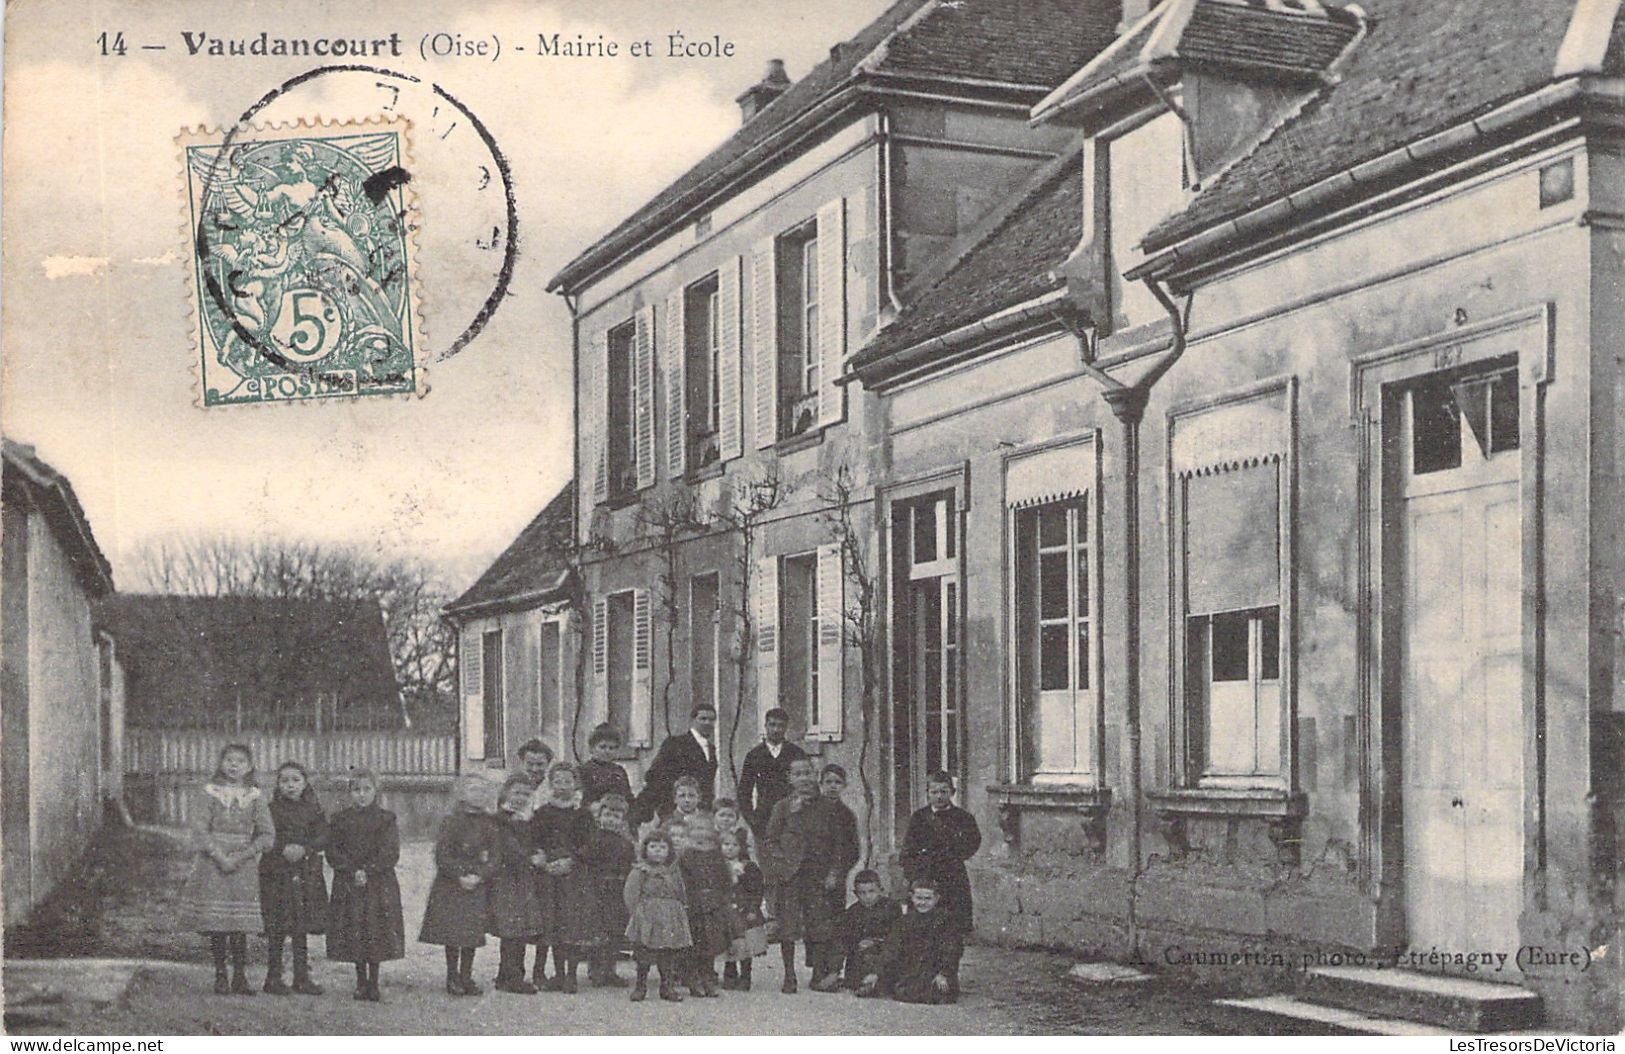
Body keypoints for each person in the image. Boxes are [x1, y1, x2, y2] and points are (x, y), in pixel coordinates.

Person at [177, 743, 274, 996]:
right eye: (229, 760)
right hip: (212, 864)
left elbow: (267, 835)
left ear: (250, 767)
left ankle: (240, 977)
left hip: (243, 866)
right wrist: (220, 856)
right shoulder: (210, 792)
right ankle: (220, 975)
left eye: (240, 761)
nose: (234, 765)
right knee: (217, 922)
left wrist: (242, 855)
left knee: (238, 923)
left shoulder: (255, 796)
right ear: (221, 764)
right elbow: (199, 829)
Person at [761, 758, 860, 994]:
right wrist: (781, 865)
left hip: (818, 877)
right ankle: (789, 976)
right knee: (789, 926)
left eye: (808, 773)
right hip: (790, 876)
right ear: (790, 779)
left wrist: (834, 873)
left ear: (814, 776)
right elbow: (771, 841)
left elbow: (839, 846)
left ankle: (817, 975)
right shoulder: (783, 807)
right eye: (798, 774)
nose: (804, 779)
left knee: (819, 926)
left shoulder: (826, 808)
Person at [325, 769, 405, 1002]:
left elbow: (390, 852)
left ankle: (374, 981)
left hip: (378, 883)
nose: (361, 795)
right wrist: (352, 871)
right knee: (355, 928)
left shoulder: (386, 819)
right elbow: (333, 850)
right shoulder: (340, 820)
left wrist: (369, 870)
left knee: (375, 929)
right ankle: (360, 981)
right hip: (349, 883)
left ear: (375, 792)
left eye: (366, 789)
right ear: (350, 793)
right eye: (356, 790)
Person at [900, 770, 981, 995]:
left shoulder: (963, 818)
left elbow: (973, 842)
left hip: (952, 881)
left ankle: (947, 976)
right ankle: (921, 976)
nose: (939, 796)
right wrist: (914, 877)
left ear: (953, 793)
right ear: (927, 793)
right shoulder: (919, 818)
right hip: (924, 881)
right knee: (922, 929)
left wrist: (952, 855)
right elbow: (907, 851)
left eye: (944, 791)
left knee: (951, 931)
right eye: (934, 791)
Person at [418, 776, 500, 996]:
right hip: (452, 884)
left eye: (483, 791)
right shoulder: (452, 820)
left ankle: (466, 975)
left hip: (477, 882)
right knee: (453, 932)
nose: (478, 795)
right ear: (463, 794)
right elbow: (442, 855)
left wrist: (480, 876)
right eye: (473, 790)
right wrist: (460, 875)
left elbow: (495, 856)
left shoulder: (489, 823)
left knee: (471, 932)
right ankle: (452, 976)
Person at [258, 760, 329, 996]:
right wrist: (281, 848)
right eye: (284, 781)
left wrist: (305, 849)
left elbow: (323, 836)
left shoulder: (314, 809)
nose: (290, 785)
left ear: (305, 783)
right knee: (278, 924)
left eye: (296, 780)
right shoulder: (270, 809)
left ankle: (302, 977)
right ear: (278, 785)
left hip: (305, 871)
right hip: (277, 871)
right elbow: (262, 834)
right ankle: (273, 977)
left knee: (301, 925)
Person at [530, 760, 596, 993]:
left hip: (573, 875)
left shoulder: (583, 815)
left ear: (575, 785)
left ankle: (569, 975)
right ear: (550, 785)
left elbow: (590, 845)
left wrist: (572, 861)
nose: (562, 786)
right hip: (548, 875)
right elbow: (534, 841)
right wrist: (542, 860)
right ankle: (545, 972)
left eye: (567, 781)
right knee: (549, 923)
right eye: (557, 781)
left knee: (569, 925)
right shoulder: (541, 813)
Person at [860, 879, 963, 1005]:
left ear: (936, 898)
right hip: (911, 969)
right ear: (911, 897)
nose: (923, 903)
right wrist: (877, 972)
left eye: (928, 898)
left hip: (934, 970)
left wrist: (944, 973)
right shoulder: (904, 921)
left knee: (936, 992)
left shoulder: (946, 922)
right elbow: (892, 948)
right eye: (919, 898)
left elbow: (952, 950)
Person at [488, 775, 546, 994]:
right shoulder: (501, 820)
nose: (521, 798)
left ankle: (508, 974)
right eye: (517, 793)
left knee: (519, 928)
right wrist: (530, 858)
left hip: (523, 879)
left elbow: (534, 841)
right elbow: (508, 847)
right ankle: (512, 976)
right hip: (507, 878)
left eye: (526, 794)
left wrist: (538, 852)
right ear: (506, 794)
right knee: (511, 928)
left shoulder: (527, 819)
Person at [623, 829, 692, 1003]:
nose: (658, 850)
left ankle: (667, 986)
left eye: (663, 847)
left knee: (667, 954)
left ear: (670, 850)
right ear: (645, 849)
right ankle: (640, 986)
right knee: (643, 953)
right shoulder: (640, 871)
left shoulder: (674, 872)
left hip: (669, 917)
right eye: (653, 846)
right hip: (647, 916)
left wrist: (681, 911)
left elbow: (681, 892)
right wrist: (637, 914)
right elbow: (630, 894)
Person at [577, 792, 636, 987]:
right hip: (598, 889)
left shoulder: (626, 843)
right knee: (598, 931)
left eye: (616, 816)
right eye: (607, 815)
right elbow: (584, 861)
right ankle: (595, 970)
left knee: (615, 930)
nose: (611, 820)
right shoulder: (594, 839)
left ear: (622, 820)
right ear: (599, 816)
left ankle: (610, 970)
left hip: (617, 890)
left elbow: (630, 865)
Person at [632, 703, 718, 826]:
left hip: (700, 811)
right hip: (674, 810)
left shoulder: (711, 749)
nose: (707, 723)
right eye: (703, 719)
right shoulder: (676, 743)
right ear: (692, 721)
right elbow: (655, 775)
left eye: (711, 720)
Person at [677, 814, 728, 997]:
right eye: (696, 829)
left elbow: (724, 879)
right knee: (694, 943)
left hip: (712, 904)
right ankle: (693, 978)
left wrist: (721, 899)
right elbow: (682, 880)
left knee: (710, 943)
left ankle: (708, 977)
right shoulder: (686, 855)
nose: (700, 833)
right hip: (694, 904)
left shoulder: (716, 854)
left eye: (704, 829)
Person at [737, 708, 807, 836]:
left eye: (780, 726)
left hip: (791, 820)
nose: (776, 730)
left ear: (786, 728)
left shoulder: (796, 753)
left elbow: (806, 786)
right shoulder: (754, 755)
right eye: (772, 725)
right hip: (764, 821)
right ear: (765, 726)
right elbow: (744, 792)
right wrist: (753, 820)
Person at [719, 827, 767, 991]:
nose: (729, 848)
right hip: (726, 910)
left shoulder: (749, 867)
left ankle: (746, 975)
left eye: (734, 845)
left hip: (744, 910)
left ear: (741, 847)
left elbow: (757, 889)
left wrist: (753, 908)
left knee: (745, 943)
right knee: (729, 942)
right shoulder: (717, 867)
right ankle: (730, 973)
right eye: (725, 844)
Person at [842, 869, 900, 993]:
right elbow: (845, 940)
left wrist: (875, 942)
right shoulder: (852, 912)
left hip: (884, 953)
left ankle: (875, 982)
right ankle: (864, 983)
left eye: (871, 891)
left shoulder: (891, 907)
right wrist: (834, 971)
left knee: (883, 954)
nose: (867, 897)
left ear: (880, 890)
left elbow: (896, 936)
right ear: (855, 893)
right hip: (860, 955)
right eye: (862, 893)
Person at [580, 723, 633, 813]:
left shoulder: (619, 771)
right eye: (602, 747)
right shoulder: (583, 771)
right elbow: (581, 800)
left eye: (612, 748)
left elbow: (628, 797)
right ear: (591, 748)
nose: (607, 751)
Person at [513, 739, 555, 817]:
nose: (534, 769)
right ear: (522, 763)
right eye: (530, 764)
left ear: (548, 764)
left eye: (540, 764)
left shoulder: (553, 790)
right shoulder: (512, 790)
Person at [712, 797, 757, 862]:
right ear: (714, 816)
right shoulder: (710, 833)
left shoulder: (741, 834)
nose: (726, 819)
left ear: (737, 818)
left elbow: (747, 855)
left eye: (730, 816)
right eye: (722, 815)